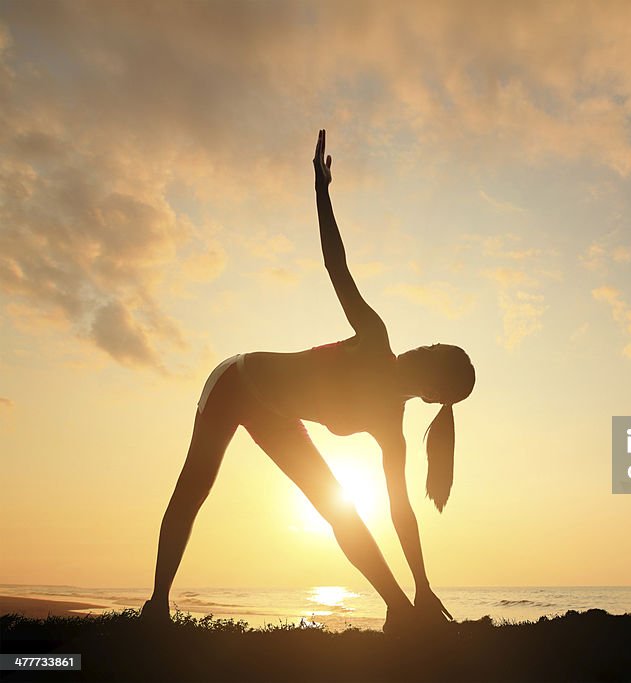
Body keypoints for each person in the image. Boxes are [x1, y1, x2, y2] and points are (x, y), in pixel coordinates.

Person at [140, 130, 475, 632]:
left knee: (336, 507)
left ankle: (400, 609)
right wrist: (321, 190)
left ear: (432, 395)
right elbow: (335, 265)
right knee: (196, 486)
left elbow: (400, 512)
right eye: (428, 344)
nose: (418, 348)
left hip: (277, 416)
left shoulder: (391, 424)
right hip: (237, 381)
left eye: (429, 357)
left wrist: (423, 585)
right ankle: (156, 606)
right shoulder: (374, 337)